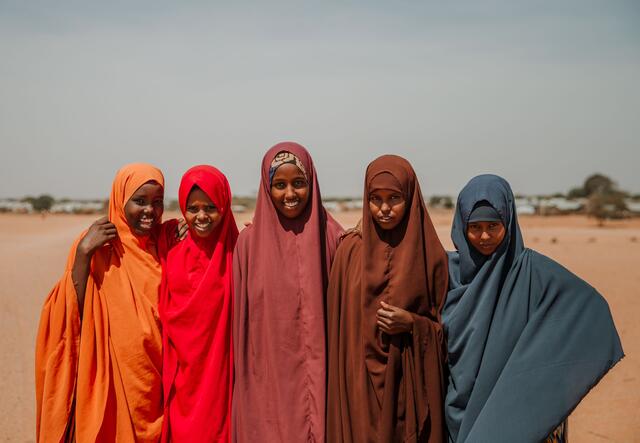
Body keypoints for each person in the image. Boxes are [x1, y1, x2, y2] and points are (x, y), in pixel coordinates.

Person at [442, 174, 624, 443]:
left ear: (509, 222)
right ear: (461, 226)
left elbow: (588, 309)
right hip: (456, 408)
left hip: (515, 415)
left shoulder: (533, 272)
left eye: (493, 226)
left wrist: (547, 390)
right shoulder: (447, 272)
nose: (483, 236)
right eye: (474, 226)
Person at [35, 163, 178, 442]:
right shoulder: (96, 245)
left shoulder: (165, 243)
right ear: (119, 200)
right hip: (111, 383)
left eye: (157, 202)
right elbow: (67, 313)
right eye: (140, 201)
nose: (150, 210)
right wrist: (83, 254)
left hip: (154, 386)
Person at [326, 154, 449, 443]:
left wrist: (413, 324)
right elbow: (339, 333)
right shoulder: (349, 252)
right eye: (375, 198)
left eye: (394, 198)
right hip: (359, 394)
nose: (384, 209)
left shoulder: (431, 257)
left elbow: (448, 335)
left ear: (410, 196)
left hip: (411, 392)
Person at [232, 142, 343, 443]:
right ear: (266, 189)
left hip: (322, 379)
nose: (290, 194)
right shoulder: (248, 245)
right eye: (279, 185)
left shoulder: (333, 238)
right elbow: (242, 328)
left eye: (299, 183)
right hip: (269, 384)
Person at [159, 165, 238, 442]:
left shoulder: (239, 253)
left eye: (211, 207)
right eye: (193, 209)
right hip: (183, 384)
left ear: (225, 206)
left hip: (224, 383)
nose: (202, 216)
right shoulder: (171, 251)